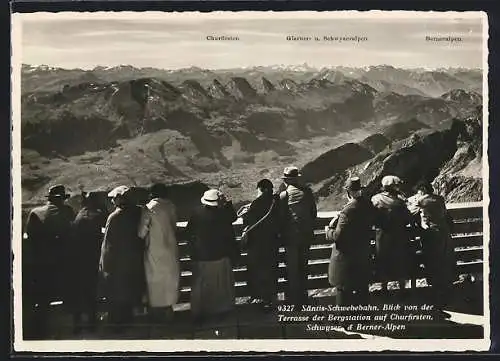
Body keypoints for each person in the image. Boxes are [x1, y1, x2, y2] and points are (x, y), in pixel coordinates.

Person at [23, 184, 75, 339]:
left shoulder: (35, 213)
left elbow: (29, 237)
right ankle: (65, 329)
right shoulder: (68, 212)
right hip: (63, 261)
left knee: (42, 298)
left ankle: (40, 330)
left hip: (42, 261)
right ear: (62, 199)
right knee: (64, 296)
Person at [186, 189, 239, 323]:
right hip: (220, 256)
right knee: (220, 285)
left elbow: (189, 231)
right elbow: (234, 217)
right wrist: (227, 203)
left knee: (201, 286)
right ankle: (219, 311)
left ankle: (200, 312)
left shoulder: (197, 213)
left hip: (202, 256)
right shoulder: (223, 214)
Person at [99, 185, 146, 333]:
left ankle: (117, 327)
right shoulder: (139, 212)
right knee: (130, 293)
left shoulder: (114, 217)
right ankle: (129, 322)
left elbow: (108, 245)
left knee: (117, 296)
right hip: (134, 260)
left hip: (118, 263)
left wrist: (104, 267)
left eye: (114, 198)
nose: (112, 201)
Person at [407, 181, 456, 319]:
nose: (417, 194)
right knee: (443, 262)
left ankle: (435, 296)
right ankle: (444, 294)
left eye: (418, 191)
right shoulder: (439, 199)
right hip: (444, 234)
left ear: (422, 190)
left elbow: (410, 212)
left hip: (432, 236)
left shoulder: (422, 201)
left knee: (433, 263)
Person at [326, 177, 377, 306]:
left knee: (343, 289)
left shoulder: (348, 210)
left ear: (348, 192)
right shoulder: (368, 205)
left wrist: (329, 230)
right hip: (363, 254)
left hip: (346, 258)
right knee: (362, 287)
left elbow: (338, 236)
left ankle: (344, 322)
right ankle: (364, 320)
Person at [138, 183, 180, 324]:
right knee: (169, 280)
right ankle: (169, 312)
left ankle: (157, 316)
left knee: (155, 282)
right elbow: (174, 226)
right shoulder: (171, 206)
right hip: (171, 249)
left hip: (154, 250)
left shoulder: (149, 209)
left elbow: (141, 233)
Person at [68, 191, 107, 334]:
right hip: (90, 259)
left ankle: (77, 324)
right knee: (90, 292)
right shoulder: (95, 215)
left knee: (78, 292)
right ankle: (91, 323)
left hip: (77, 260)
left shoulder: (79, 215)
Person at [279, 166, 317, 306]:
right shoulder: (307, 192)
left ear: (286, 181)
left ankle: (294, 302)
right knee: (303, 268)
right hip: (306, 237)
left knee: (292, 270)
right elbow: (314, 214)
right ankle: (304, 299)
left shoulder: (284, 195)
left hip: (291, 239)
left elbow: (281, 218)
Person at [241, 179, 282, 309]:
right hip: (273, 243)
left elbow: (248, 221)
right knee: (271, 270)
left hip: (257, 245)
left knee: (258, 271)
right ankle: (271, 299)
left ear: (261, 189)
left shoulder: (256, 203)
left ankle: (260, 299)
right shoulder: (277, 201)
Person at [371, 175, 413, 297]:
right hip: (399, 237)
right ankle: (402, 290)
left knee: (383, 261)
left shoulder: (375, 199)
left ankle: (384, 290)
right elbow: (407, 218)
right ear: (392, 187)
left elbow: (371, 218)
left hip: (382, 236)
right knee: (400, 262)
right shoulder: (399, 202)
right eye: (397, 185)